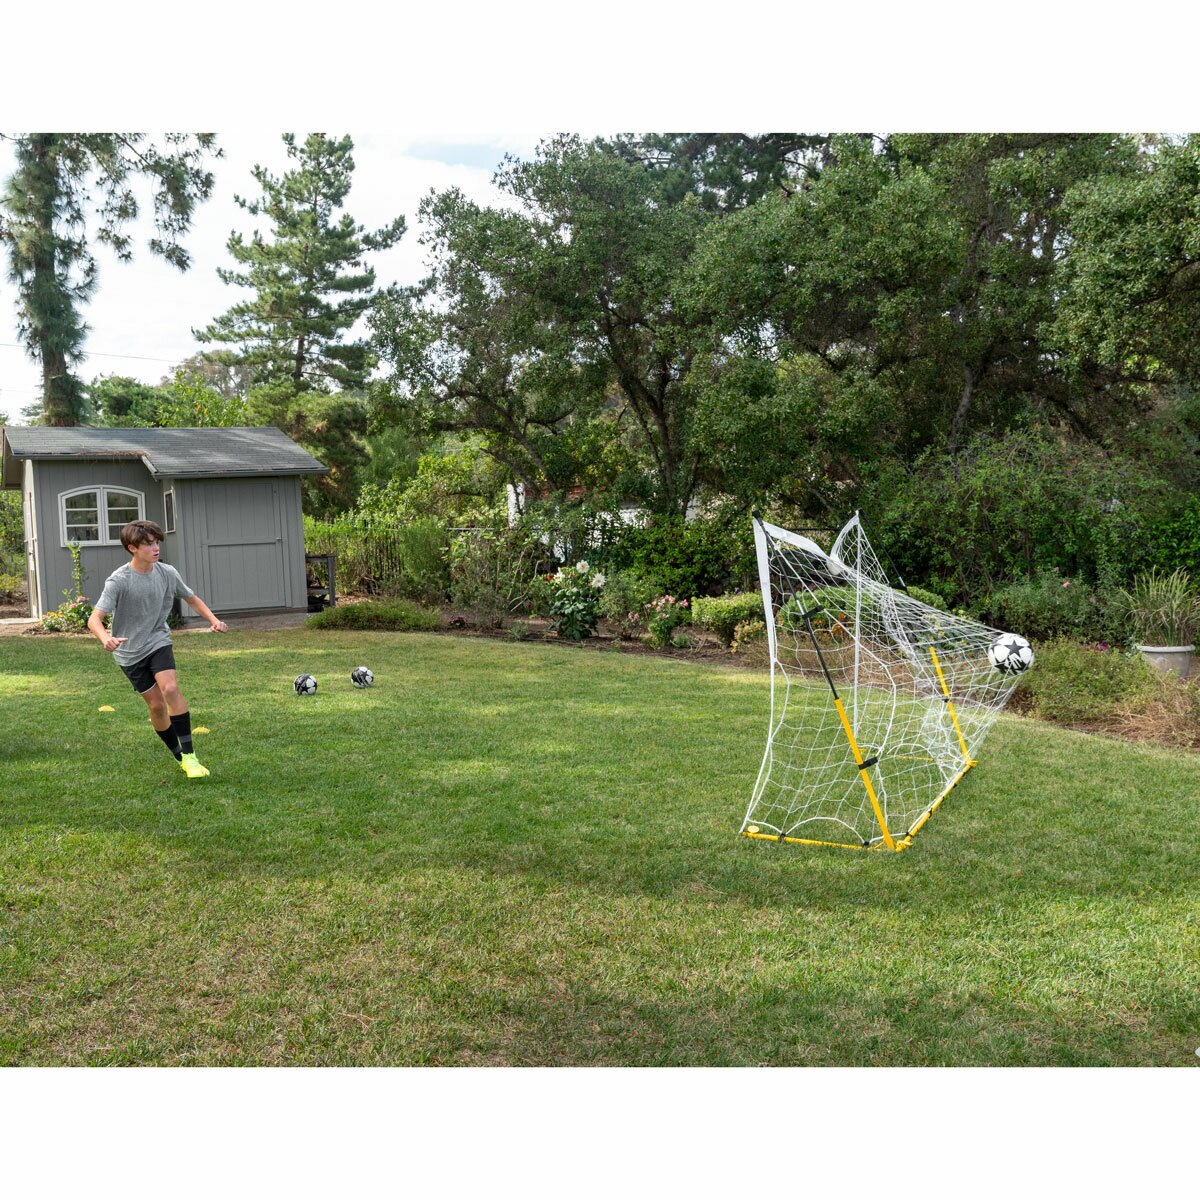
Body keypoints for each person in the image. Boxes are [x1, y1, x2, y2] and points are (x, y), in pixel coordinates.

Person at [86, 519, 228, 779]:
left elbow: (191, 598)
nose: (155, 548)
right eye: (148, 544)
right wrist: (105, 638)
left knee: (171, 689)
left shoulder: (167, 573)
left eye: (156, 543)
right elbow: (94, 618)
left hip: (158, 640)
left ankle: (190, 756)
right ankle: (179, 756)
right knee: (157, 707)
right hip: (129, 652)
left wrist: (213, 620)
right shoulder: (118, 580)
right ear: (132, 548)